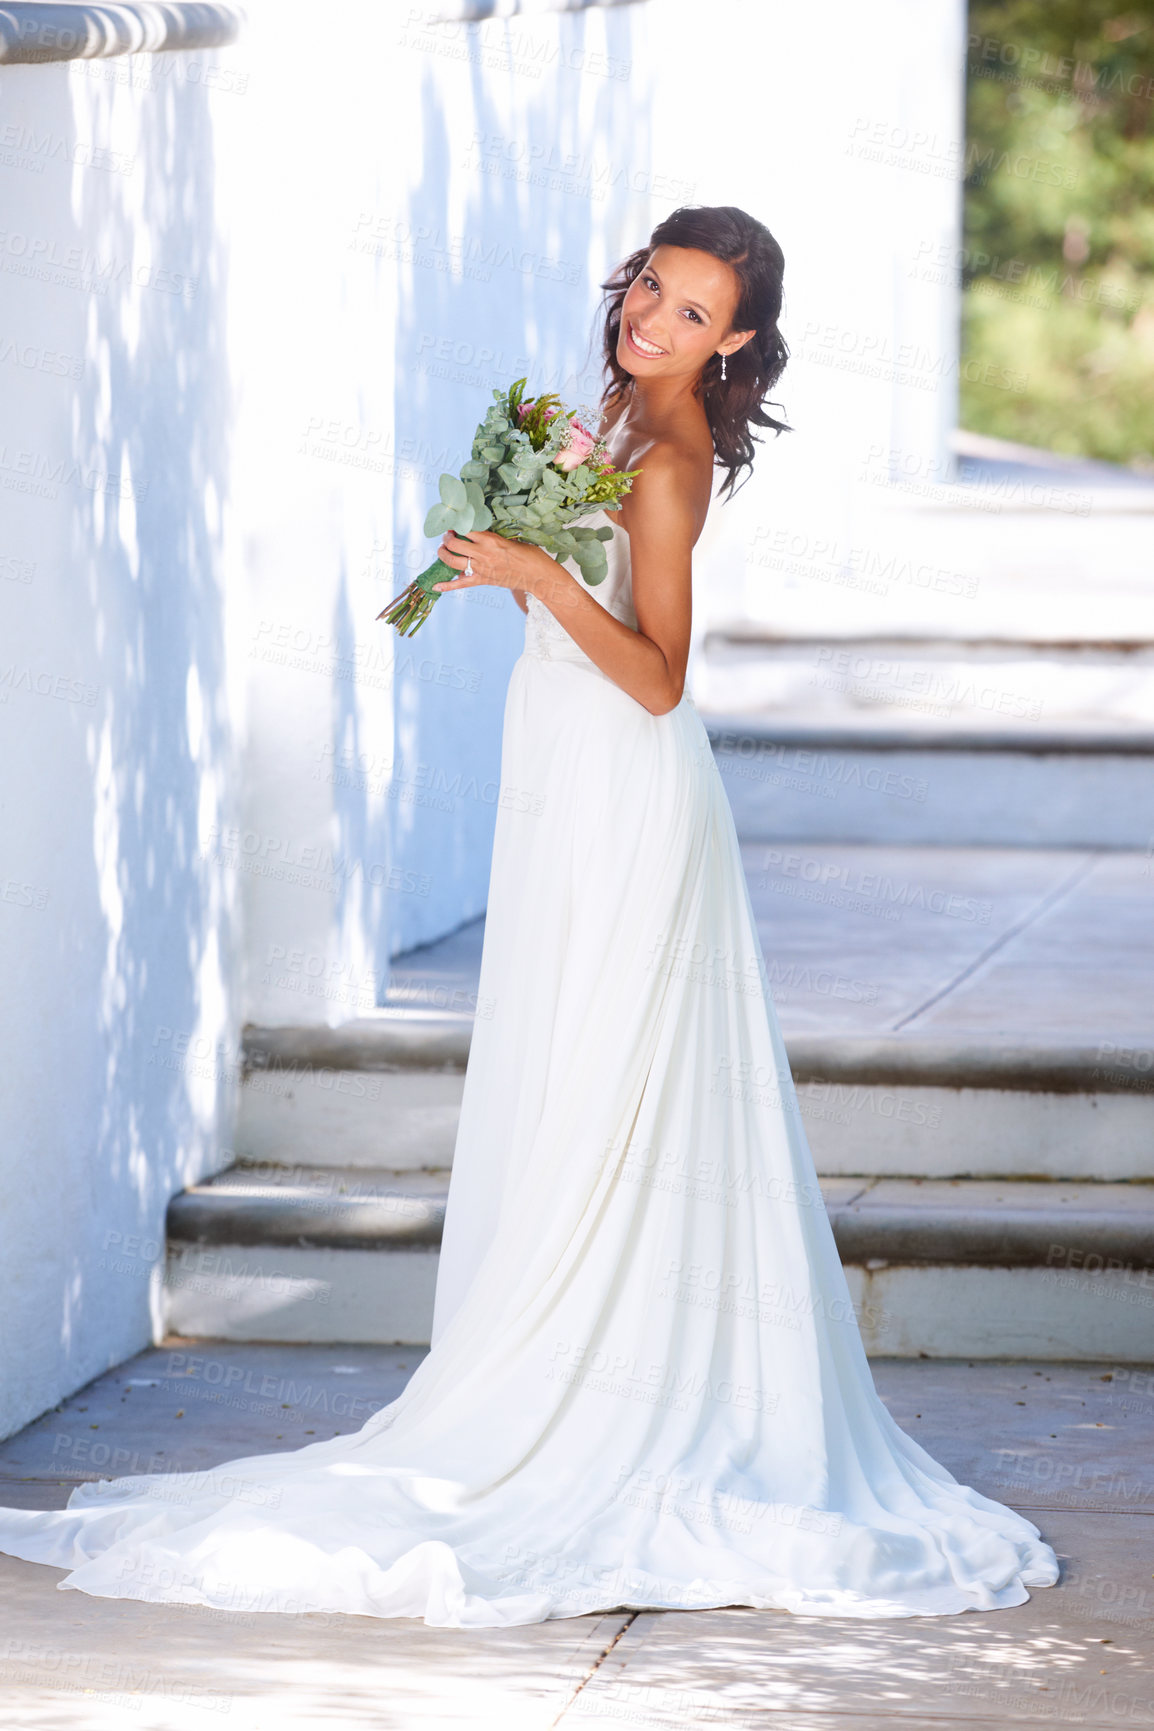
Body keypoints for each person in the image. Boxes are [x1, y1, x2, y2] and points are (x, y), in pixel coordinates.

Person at [0, 206, 1058, 1626]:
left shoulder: (670, 457)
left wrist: (538, 571)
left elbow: (660, 677)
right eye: (650, 288)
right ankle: (553, 1359)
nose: (653, 320)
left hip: (628, 791)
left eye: (692, 313)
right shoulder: (611, 412)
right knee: (563, 1081)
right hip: (561, 777)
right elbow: (567, 629)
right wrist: (515, 536)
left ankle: (604, 1391)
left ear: (733, 339)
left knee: (615, 1080)